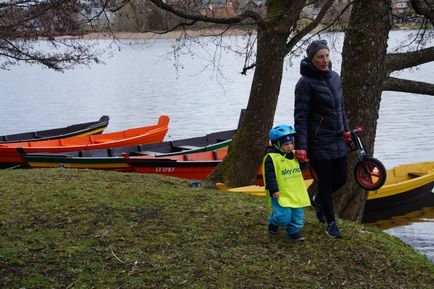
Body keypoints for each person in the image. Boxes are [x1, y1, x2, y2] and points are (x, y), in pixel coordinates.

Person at [294, 39, 351, 239]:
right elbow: (301, 117)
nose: (325, 60)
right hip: (317, 140)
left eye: (327, 56)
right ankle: (331, 223)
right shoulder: (304, 84)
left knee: (342, 178)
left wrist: (346, 129)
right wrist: (301, 146)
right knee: (326, 181)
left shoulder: (335, 77)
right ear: (312, 59)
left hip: (336, 137)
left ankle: (317, 199)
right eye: (320, 57)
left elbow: (340, 108)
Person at [263, 125, 311, 241]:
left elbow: (301, 167)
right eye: (286, 145)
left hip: (295, 191)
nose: (289, 147)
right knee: (283, 216)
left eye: (291, 144)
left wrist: (302, 161)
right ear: (277, 144)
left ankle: (294, 231)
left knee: (298, 215)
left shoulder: (294, 155)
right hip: (280, 193)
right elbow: (270, 176)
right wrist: (274, 190)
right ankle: (274, 222)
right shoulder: (271, 158)